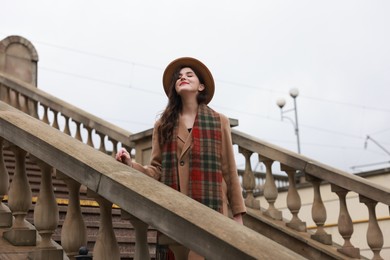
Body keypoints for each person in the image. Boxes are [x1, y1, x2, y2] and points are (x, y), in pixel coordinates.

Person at [116, 57, 246, 259]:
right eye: (179, 76)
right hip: (175, 211)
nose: (182, 77)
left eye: (189, 75)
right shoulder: (163, 124)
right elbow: (157, 169)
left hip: (211, 212)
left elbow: (229, 170)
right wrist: (130, 164)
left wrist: (237, 216)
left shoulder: (219, 121)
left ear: (201, 86)